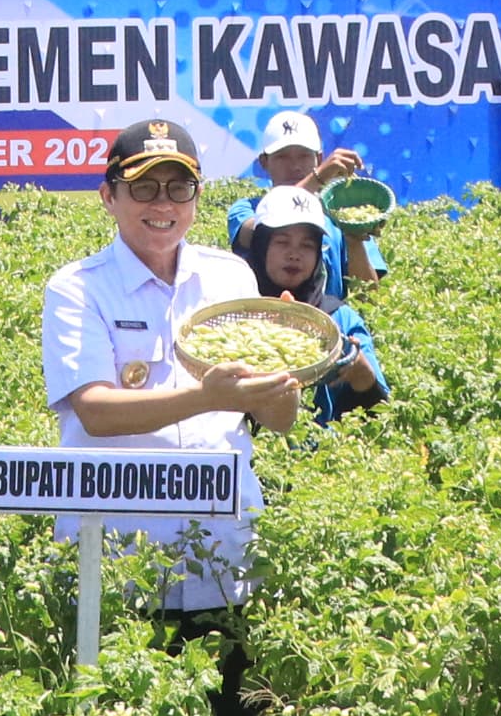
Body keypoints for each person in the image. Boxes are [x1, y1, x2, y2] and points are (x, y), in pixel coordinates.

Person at [42, 117, 303, 612]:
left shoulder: (231, 277)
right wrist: (209, 397)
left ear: (197, 198)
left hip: (224, 553)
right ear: (108, 196)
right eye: (143, 187)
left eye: (179, 187)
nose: (163, 204)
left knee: (233, 689)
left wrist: (286, 365)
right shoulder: (77, 288)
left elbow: (278, 420)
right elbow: (95, 411)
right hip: (122, 555)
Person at [236, 187, 386, 423]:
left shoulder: (340, 318)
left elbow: (380, 417)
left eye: (307, 245)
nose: (294, 254)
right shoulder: (233, 314)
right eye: (282, 242)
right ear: (260, 246)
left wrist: (361, 373)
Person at [232, 110, 384, 289]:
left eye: (304, 156)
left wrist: (354, 238)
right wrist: (317, 177)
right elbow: (254, 234)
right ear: (264, 162)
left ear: (318, 159)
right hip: (267, 315)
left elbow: (367, 293)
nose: (295, 166)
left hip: (327, 316)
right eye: (282, 156)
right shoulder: (245, 209)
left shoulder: (340, 214)